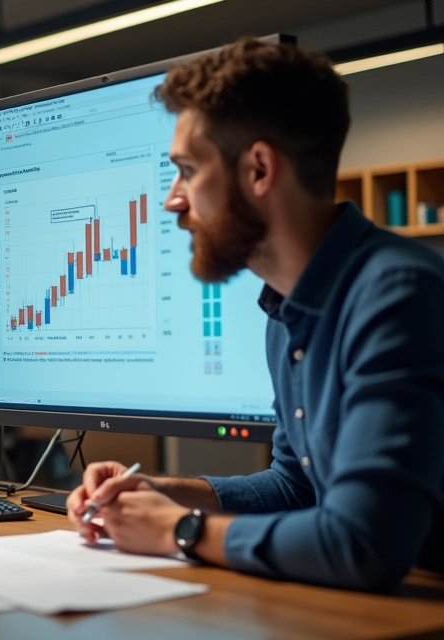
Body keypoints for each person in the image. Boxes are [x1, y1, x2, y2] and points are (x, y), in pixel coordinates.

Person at [65, 38, 444, 592]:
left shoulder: (397, 296)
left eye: (188, 170)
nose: (173, 200)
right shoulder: (286, 307)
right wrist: (161, 494)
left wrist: (180, 531)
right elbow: (297, 486)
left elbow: (363, 544)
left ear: (260, 170)